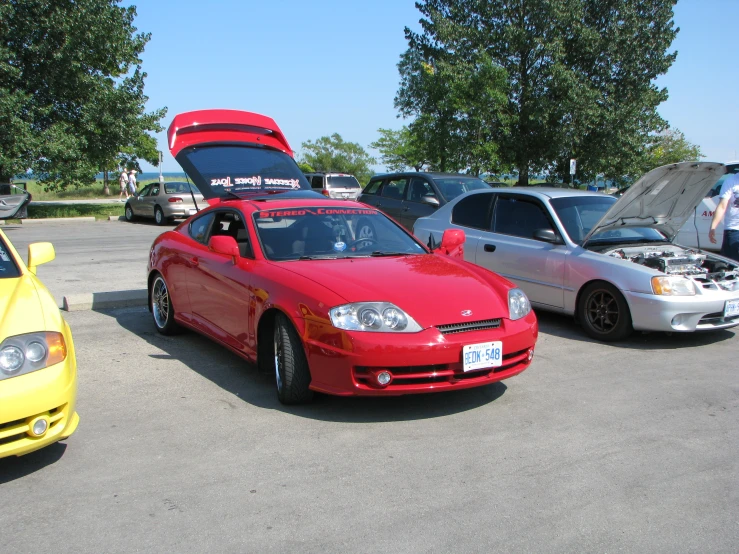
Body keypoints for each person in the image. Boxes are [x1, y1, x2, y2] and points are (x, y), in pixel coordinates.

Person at [709, 171, 739, 262]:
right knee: (732, 264)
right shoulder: (731, 181)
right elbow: (722, 206)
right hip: (734, 229)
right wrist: (713, 227)